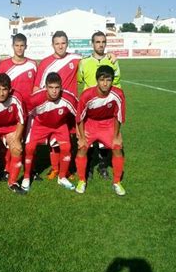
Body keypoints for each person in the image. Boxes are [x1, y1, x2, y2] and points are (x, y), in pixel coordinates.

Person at [33, 31, 81, 180]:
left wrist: (110, 56)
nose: (60, 46)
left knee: (70, 140)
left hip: (69, 107)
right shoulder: (45, 63)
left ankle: (67, 170)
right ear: (52, 45)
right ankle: (55, 168)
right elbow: (37, 88)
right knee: (54, 142)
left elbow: (96, 60)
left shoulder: (76, 58)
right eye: (57, 43)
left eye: (63, 43)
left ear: (67, 44)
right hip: (53, 108)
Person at [75, 65, 126, 196]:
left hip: (108, 124)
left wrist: (116, 135)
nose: (105, 83)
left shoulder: (118, 94)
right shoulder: (87, 95)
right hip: (90, 124)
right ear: (97, 80)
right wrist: (81, 136)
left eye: (108, 80)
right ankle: (82, 180)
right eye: (102, 79)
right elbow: (80, 117)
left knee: (117, 147)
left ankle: (117, 182)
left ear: (112, 81)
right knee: (82, 147)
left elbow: (118, 116)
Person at [22, 72, 78, 192]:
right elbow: (25, 114)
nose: (54, 91)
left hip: (59, 125)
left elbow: (79, 115)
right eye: (51, 87)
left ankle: (62, 177)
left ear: (61, 87)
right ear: (45, 87)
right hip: (40, 124)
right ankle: (26, 176)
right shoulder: (35, 98)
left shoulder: (69, 98)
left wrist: (79, 133)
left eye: (57, 87)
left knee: (66, 147)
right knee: (29, 148)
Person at [77, 31, 122, 180]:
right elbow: (79, 80)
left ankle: (102, 166)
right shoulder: (84, 62)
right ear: (92, 44)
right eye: (97, 42)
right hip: (89, 107)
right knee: (87, 142)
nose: (101, 45)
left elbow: (117, 82)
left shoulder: (112, 61)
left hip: (105, 107)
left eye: (103, 42)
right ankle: (88, 167)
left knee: (104, 143)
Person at [0, 33, 37, 179]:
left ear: (26, 46)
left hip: (29, 109)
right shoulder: (4, 65)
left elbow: (36, 87)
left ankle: (30, 169)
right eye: (17, 45)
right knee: (11, 140)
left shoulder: (32, 64)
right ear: (12, 46)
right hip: (11, 109)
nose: (19, 48)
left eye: (22, 45)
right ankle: (7, 169)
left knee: (29, 141)